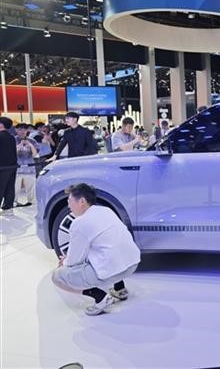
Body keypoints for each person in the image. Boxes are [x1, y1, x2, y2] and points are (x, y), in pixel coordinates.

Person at [51, 183, 141, 315]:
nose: (68, 205)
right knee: (107, 249)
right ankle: (120, 289)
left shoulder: (79, 223)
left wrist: (64, 261)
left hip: (113, 269)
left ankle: (100, 297)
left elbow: (74, 261)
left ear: (82, 201)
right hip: (132, 263)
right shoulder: (106, 210)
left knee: (57, 277)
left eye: (69, 200)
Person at [14, 123, 39, 207]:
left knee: (31, 188)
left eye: (24, 129)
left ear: (27, 130)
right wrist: (19, 146)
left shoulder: (32, 141)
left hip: (30, 169)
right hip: (16, 169)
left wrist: (30, 145)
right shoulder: (13, 140)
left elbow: (35, 155)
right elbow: (11, 154)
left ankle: (32, 202)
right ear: (16, 130)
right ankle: (14, 202)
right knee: (15, 188)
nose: (22, 131)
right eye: (20, 129)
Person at [0, 117, 17, 216]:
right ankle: (8, 207)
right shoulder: (11, 137)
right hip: (12, 166)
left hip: (2, 167)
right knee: (10, 187)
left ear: (1, 125)